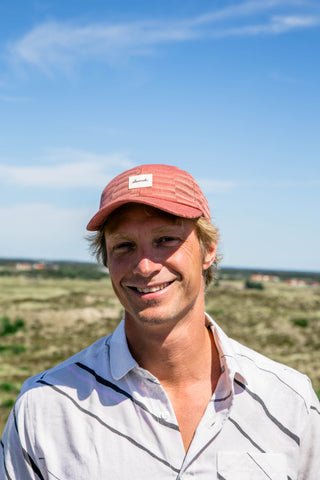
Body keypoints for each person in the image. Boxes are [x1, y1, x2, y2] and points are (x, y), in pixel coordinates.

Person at [1, 163, 319, 479]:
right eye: (124, 246)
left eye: (165, 239)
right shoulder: (45, 408)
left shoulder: (290, 402)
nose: (144, 266)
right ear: (106, 260)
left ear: (208, 249)